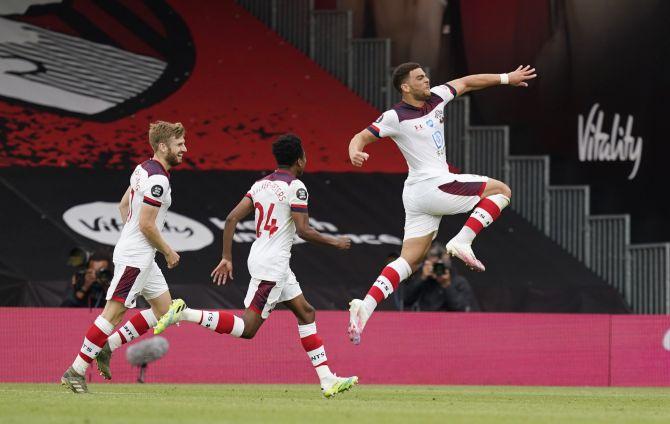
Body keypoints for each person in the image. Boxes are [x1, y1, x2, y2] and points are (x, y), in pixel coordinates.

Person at [153, 134, 358, 398]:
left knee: (306, 312)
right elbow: (304, 231)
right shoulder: (296, 187)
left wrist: (226, 257)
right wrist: (336, 242)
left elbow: (231, 218)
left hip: (269, 261)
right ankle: (184, 313)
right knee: (247, 328)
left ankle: (327, 379)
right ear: (300, 159)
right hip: (272, 265)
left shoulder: (260, 185)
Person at [347, 62, 536, 344]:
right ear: (405, 87)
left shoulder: (437, 96)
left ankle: (365, 307)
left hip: (418, 194)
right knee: (501, 190)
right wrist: (355, 152)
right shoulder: (394, 116)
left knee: (409, 260)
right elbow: (360, 137)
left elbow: (467, 81)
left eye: (426, 76)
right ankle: (463, 241)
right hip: (430, 185)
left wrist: (506, 78)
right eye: (420, 78)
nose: (427, 80)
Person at [60, 121, 188, 393]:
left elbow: (123, 205)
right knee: (114, 313)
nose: (184, 149)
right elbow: (147, 224)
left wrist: (131, 239)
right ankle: (76, 370)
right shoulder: (158, 179)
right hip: (137, 256)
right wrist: (167, 250)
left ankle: (108, 346)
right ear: (163, 146)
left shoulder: (142, 168)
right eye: (179, 145)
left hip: (138, 252)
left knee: (165, 311)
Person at [400, 243, 480, 312]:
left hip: (450, 325)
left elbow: (464, 309)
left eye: (438, 265)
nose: (437, 268)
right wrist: (421, 278)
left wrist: (447, 285)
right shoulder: (422, 279)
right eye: (433, 265)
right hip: (423, 323)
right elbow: (405, 300)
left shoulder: (459, 282)